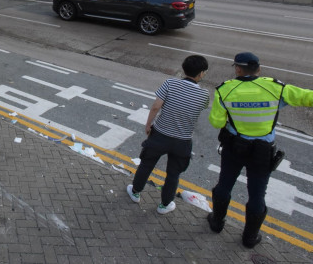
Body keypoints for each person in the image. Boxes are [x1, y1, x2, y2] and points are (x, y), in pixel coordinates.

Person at [207, 52, 313, 248]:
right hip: (262, 152)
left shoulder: (225, 90)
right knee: (257, 195)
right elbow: (308, 98)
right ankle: (249, 237)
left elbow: (216, 121)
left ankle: (216, 223)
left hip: (234, 148)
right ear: (259, 69)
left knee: (224, 185)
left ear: (238, 69)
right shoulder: (275, 88)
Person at [126, 55, 209, 214]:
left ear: (184, 69)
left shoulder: (170, 83)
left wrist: (149, 124)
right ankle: (165, 204)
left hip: (160, 135)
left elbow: (156, 106)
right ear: (200, 74)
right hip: (183, 141)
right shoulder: (204, 95)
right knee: (173, 174)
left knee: (147, 164)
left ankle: (135, 192)